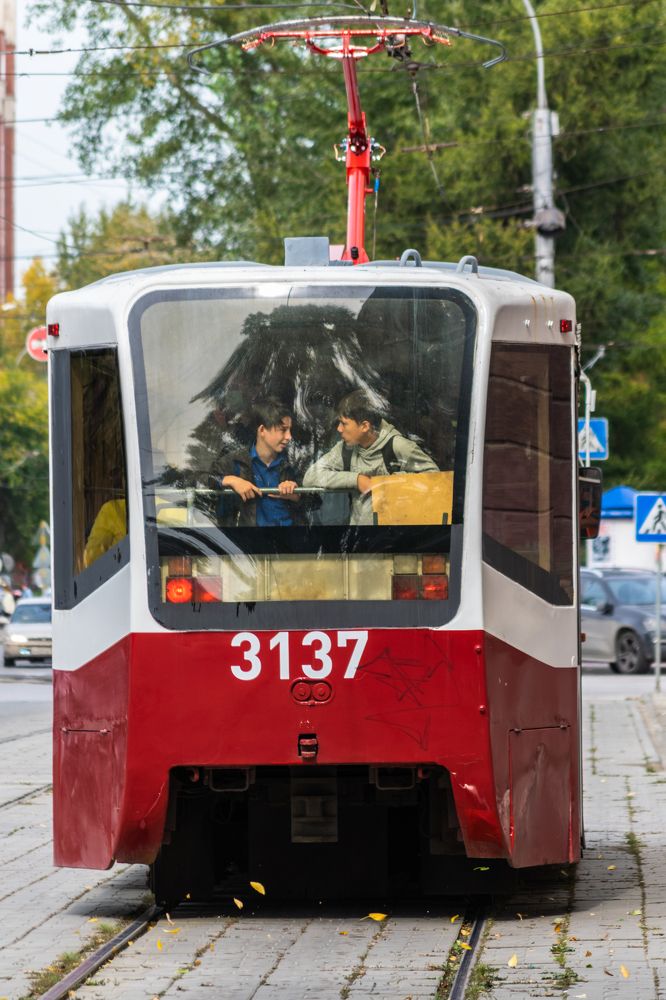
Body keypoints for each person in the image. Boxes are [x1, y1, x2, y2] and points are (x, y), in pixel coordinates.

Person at [303, 389, 438, 525]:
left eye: (344, 423)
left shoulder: (398, 447)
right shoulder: (345, 449)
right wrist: (357, 479)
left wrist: (390, 483)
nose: (339, 429)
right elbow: (310, 477)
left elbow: (436, 481)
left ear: (365, 426)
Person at [215, 399, 300, 527]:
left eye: (290, 430)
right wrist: (231, 480)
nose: (289, 437)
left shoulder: (293, 461)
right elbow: (200, 480)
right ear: (262, 431)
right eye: (283, 430)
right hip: (251, 542)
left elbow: (315, 501)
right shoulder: (235, 461)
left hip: (290, 540)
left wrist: (296, 494)